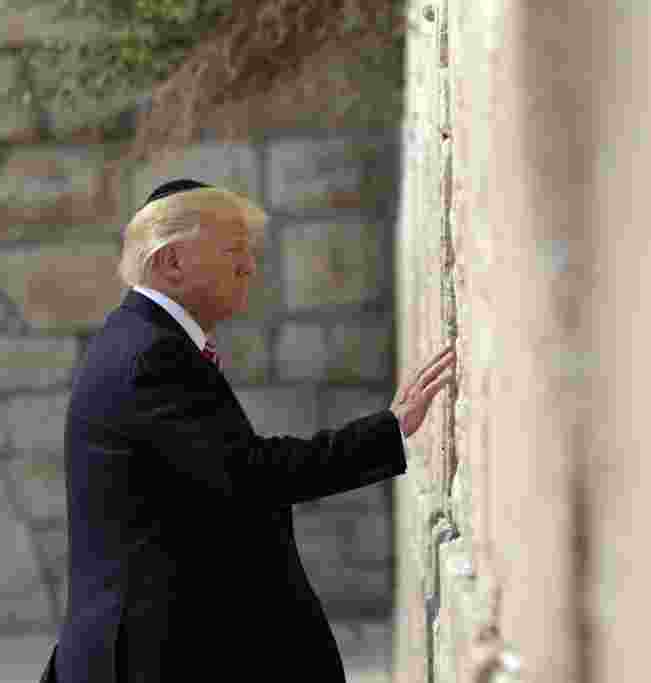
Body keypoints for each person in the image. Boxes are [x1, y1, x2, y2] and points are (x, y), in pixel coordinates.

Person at [38, 179, 456, 682]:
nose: (249, 267)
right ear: (171, 263)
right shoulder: (150, 354)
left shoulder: (143, 340)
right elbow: (250, 473)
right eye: (234, 250)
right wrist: (388, 430)